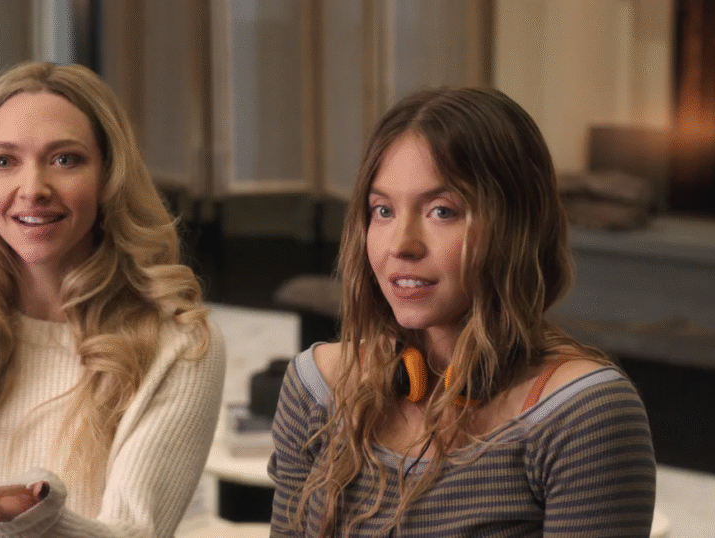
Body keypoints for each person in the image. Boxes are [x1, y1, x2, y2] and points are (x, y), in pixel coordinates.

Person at [268, 87, 656, 536]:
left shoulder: (583, 415)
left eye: (442, 211)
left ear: (516, 228)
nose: (401, 245)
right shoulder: (315, 390)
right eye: (383, 210)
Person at [0, 61, 225, 537]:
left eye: (64, 159)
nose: (32, 189)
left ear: (108, 176)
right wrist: (26, 528)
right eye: (4, 161)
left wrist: (34, 520)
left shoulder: (181, 345)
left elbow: (134, 533)